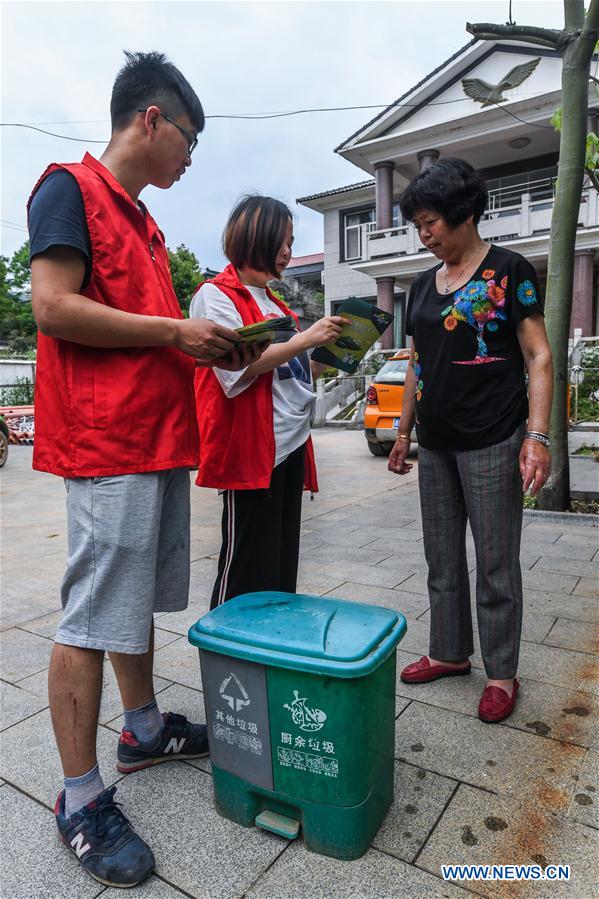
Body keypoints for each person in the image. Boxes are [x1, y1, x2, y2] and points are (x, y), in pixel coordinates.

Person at [28, 52, 263, 889]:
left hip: (154, 438)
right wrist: (172, 333)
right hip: (106, 443)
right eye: (189, 140)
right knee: (93, 613)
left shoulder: (145, 222)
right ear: (151, 121)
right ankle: (79, 796)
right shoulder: (70, 189)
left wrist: (202, 341)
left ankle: (141, 726)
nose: (191, 158)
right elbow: (51, 305)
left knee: (130, 601)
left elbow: (146, 328)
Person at [388, 158, 553, 724]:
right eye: (418, 225)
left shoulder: (510, 271)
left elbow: (539, 355)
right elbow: (416, 362)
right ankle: (450, 652)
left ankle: (502, 671)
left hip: (493, 439)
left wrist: (536, 437)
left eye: (430, 222)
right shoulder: (420, 285)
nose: (424, 233)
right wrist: (403, 431)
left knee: (496, 561)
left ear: (464, 214)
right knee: (441, 556)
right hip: (435, 443)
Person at [190, 195, 348, 606]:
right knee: (244, 565)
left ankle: (269, 657)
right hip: (253, 449)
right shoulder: (217, 295)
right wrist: (306, 339)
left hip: (290, 444)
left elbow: (291, 373)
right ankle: (229, 657)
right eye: (282, 241)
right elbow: (234, 370)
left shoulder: (275, 304)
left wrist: (333, 355)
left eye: (292, 243)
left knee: (280, 566)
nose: (287, 253)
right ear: (254, 236)